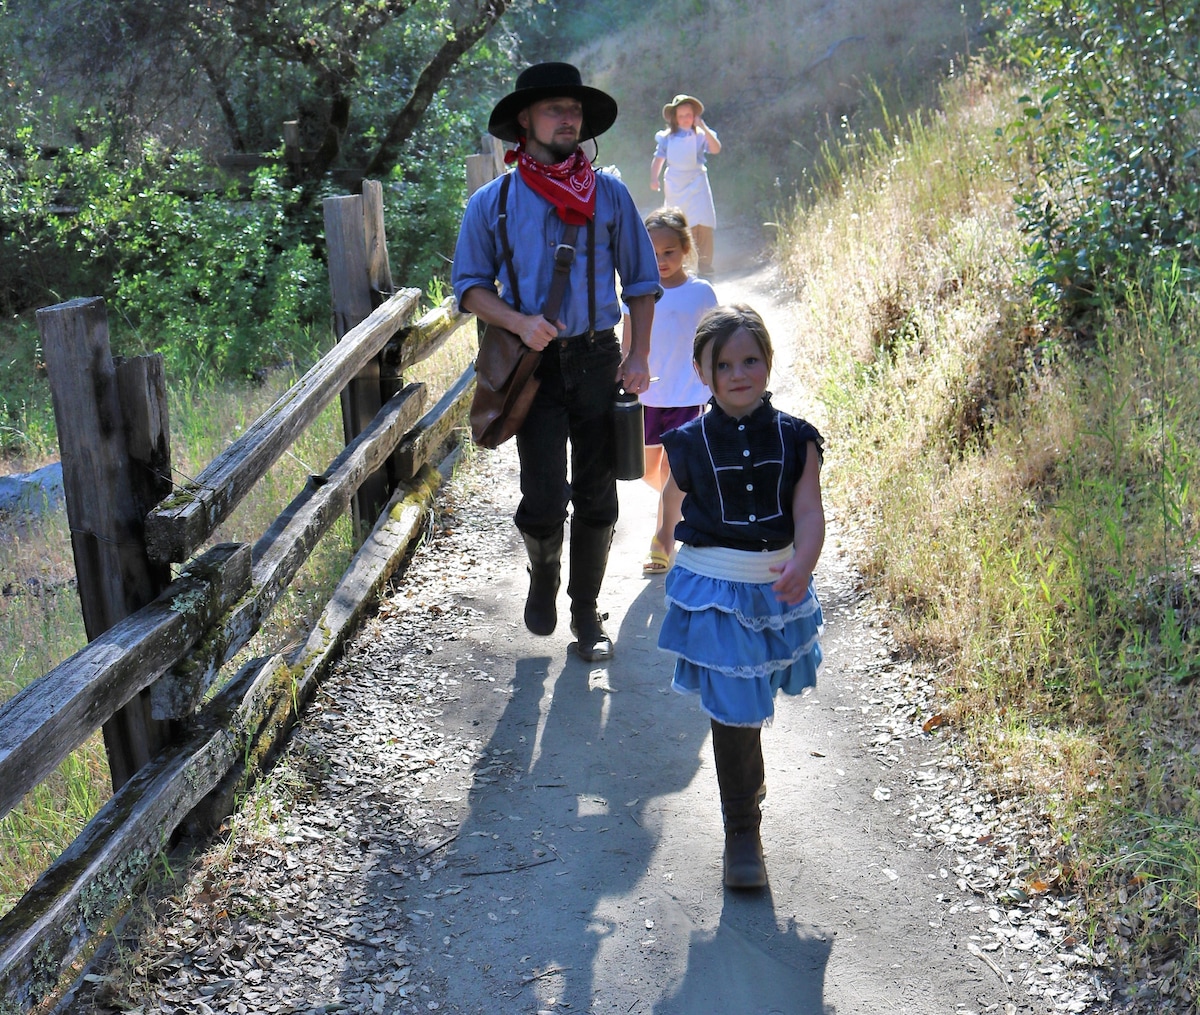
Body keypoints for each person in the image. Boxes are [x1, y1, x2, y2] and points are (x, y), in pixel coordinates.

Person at [452, 62, 661, 662]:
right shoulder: (491, 204)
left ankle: (586, 613)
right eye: (554, 109)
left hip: (599, 360)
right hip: (532, 367)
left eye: (574, 110)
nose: (568, 118)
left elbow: (642, 283)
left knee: (599, 495)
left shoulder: (612, 194)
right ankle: (543, 576)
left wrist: (638, 353)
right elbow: (468, 287)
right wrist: (519, 323)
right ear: (525, 120)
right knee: (544, 494)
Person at [657, 304, 825, 889]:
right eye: (723, 363)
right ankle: (742, 833)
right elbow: (672, 500)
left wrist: (804, 561)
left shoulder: (798, 439)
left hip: (774, 584)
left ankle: (745, 811)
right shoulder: (687, 442)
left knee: (750, 708)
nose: (738, 372)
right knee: (734, 712)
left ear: (769, 363)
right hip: (713, 588)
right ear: (702, 373)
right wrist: (660, 536)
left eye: (750, 359)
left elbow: (807, 508)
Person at [623, 207, 717, 576]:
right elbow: (628, 344)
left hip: (688, 395)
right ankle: (680, 503)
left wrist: (715, 382)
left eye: (669, 252)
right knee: (648, 470)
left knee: (672, 468)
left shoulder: (700, 292)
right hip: (647, 397)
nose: (662, 260)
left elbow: (715, 339)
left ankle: (663, 538)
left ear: (685, 249)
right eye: (653, 253)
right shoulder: (636, 293)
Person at [650, 94, 721, 277]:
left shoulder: (700, 136)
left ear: (694, 116)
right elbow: (658, 159)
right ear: (674, 118)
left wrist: (703, 126)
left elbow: (715, 149)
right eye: (681, 116)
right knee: (680, 224)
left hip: (697, 181)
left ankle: (705, 267)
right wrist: (654, 178)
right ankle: (686, 268)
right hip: (675, 183)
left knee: (703, 224)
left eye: (688, 115)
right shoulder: (666, 138)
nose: (685, 119)